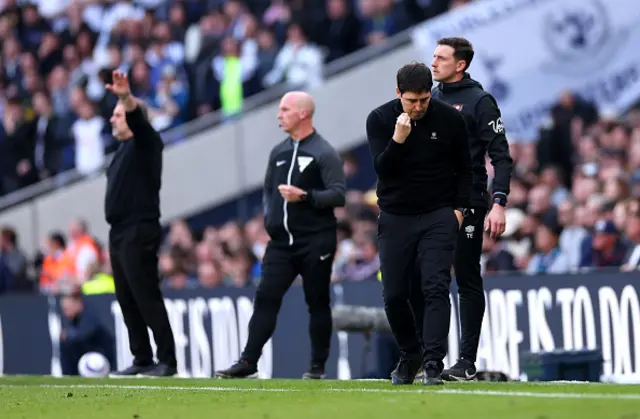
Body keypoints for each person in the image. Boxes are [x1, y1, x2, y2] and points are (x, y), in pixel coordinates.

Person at [215, 91, 346, 379]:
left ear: (303, 114)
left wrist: (306, 196)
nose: (279, 115)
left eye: (285, 109)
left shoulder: (323, 152)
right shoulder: (279, 152)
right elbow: (267, 192)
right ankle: (248, 362)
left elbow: (339, 195)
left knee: (317, 302)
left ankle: (317, 367)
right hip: (281, 244)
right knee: (265, 297)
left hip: (316, 241)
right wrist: (270, 221)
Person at [366, 62, 473, 386]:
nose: (418, 107)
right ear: (398, 94)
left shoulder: (450, 119)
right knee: (395, 294)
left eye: (424, 100)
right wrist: (398, 140)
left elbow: (465, 168)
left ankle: (432, 363)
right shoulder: (381, 119)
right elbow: (383, 171)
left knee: (435, 286)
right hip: (396, 215)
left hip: (438, 214)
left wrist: (460, 210)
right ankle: (410, 353)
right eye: (412, 100)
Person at [430, 37, 514, 381]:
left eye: (441, 58)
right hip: (433, 200)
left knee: (465, 275)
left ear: (460, 64)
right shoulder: (431, 98)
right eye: (433, 56)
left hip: (469, 201)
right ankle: (427, 356)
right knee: (425, 277)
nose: (433, 62)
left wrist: (499, 203)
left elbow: (501, 156)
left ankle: (465, 361)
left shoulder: (480, 101)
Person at [103, 70, 177, 378]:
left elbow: (138, 122)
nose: (112, 120)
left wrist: (125, 98)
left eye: (118, 115)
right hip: (119, 232)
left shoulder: (147, 144)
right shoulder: (121, 150)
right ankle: (142, 357)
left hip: (139, 228)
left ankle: (167, 360)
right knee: (126, 297)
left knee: (145, 294)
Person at [59, 289, 116, 376]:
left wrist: (67, 335)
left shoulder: (88, 316)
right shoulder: (73, 321)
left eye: (68, 307)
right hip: (88, 358)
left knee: (68, 342)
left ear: (78, 304)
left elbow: (83, 334)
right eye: (64, 309)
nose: (65, 311)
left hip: (101, 360)